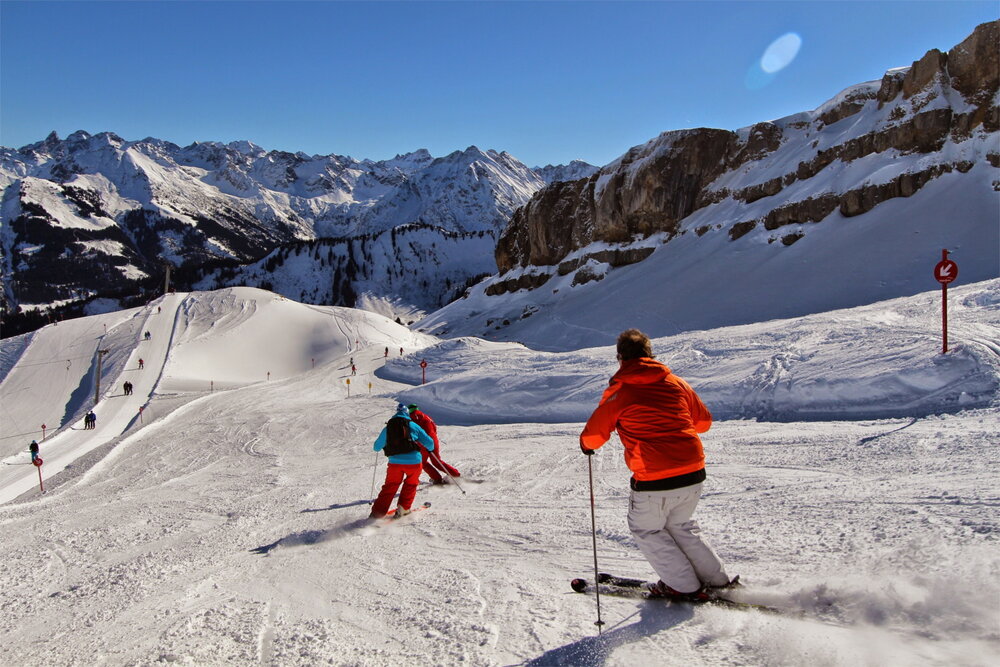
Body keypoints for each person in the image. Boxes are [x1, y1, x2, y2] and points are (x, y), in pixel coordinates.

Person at [580, 328, 731, 601]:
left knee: (647, 529)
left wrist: (586, 445)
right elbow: (703, 423)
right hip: (694, 471)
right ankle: (718, 581)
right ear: (649, 354)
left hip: (654, 476)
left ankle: (683, 586)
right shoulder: (675, 382)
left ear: (620, 358)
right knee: (681, 525)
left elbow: (594, 434)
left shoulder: (621, 391)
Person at [370, 403, 435, 519]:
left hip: (395, 463)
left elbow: (376, 446)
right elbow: (429, 442)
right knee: (411, 484)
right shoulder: (412, 425)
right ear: (406, 413)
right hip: (414, 462)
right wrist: (430, 449)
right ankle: (404, 508)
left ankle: (377, 513)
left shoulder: (388, 427)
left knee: (390, 486)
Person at [407, 404, 460, 484]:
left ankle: (437, 479)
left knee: (422, 462)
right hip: (433, 440)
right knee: (437, 461)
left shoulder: (413, 418)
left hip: (423, 442)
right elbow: (434, 428)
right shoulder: (426, 416)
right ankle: (455, 474)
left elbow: (413, 431)